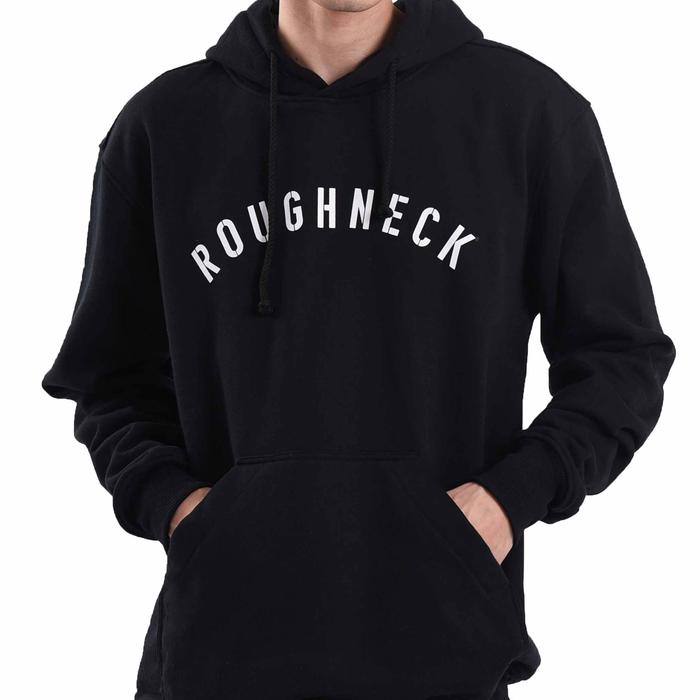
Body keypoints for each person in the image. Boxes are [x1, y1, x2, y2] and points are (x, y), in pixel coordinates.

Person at [42, 1, 675, 698]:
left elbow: (622, 360)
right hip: (218, 657)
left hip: (443, 655)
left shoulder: (529, 115)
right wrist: (181, 510)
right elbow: (109, 378)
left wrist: (505, 501)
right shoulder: (164, 127)